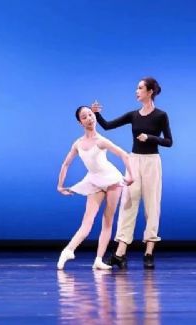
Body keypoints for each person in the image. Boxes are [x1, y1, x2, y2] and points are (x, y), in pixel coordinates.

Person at [91, 77, 173, 269]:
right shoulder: (133, 115)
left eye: (140, 88)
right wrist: (96, 114)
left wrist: (151, 137)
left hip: (152, 162)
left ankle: (149, 253)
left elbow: (169, 141)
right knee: (128, 203)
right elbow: (108, 125)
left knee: (152, 205)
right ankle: (120, 254)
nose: (136, 91)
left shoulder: (161, 115)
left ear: (150, 91)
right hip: (133, 160)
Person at [56, 105, 134, 270]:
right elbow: (65, 164)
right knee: (87, 221)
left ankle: (99, 259)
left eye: (91, 115)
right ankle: (68, 250)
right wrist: (60, 185)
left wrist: (131, 176)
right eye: (84, 117)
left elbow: (124, 154)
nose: (89, 119)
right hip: (94, 180)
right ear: (80, 122)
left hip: (112, 180)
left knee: (108, 220)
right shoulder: (78, 143)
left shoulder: (101, 141)